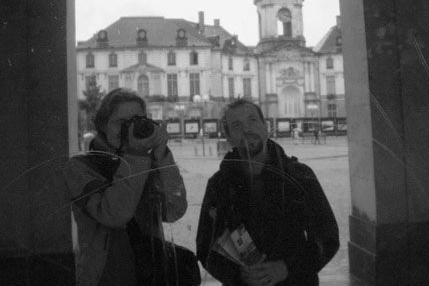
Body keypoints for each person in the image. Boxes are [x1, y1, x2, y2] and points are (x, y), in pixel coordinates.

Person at [196, 98, 339, 285]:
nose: (246, 129)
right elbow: (205, 246)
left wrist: (287, 267)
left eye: (252, 120)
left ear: (266, 127)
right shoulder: (218, 184)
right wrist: (238, 274)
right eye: (237, 125)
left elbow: (328, 238)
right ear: (229, 137)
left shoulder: (300, 176)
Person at [64, 88, 187, 286]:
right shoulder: (80, 167)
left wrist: (162, 156)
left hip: (151, 275)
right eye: (121, 123)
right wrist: (136, 156)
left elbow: (174, 211)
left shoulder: (147, 161)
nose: (128, 130)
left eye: (136, 122)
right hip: (104, 277)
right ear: (103, 124)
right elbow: (113, 214)